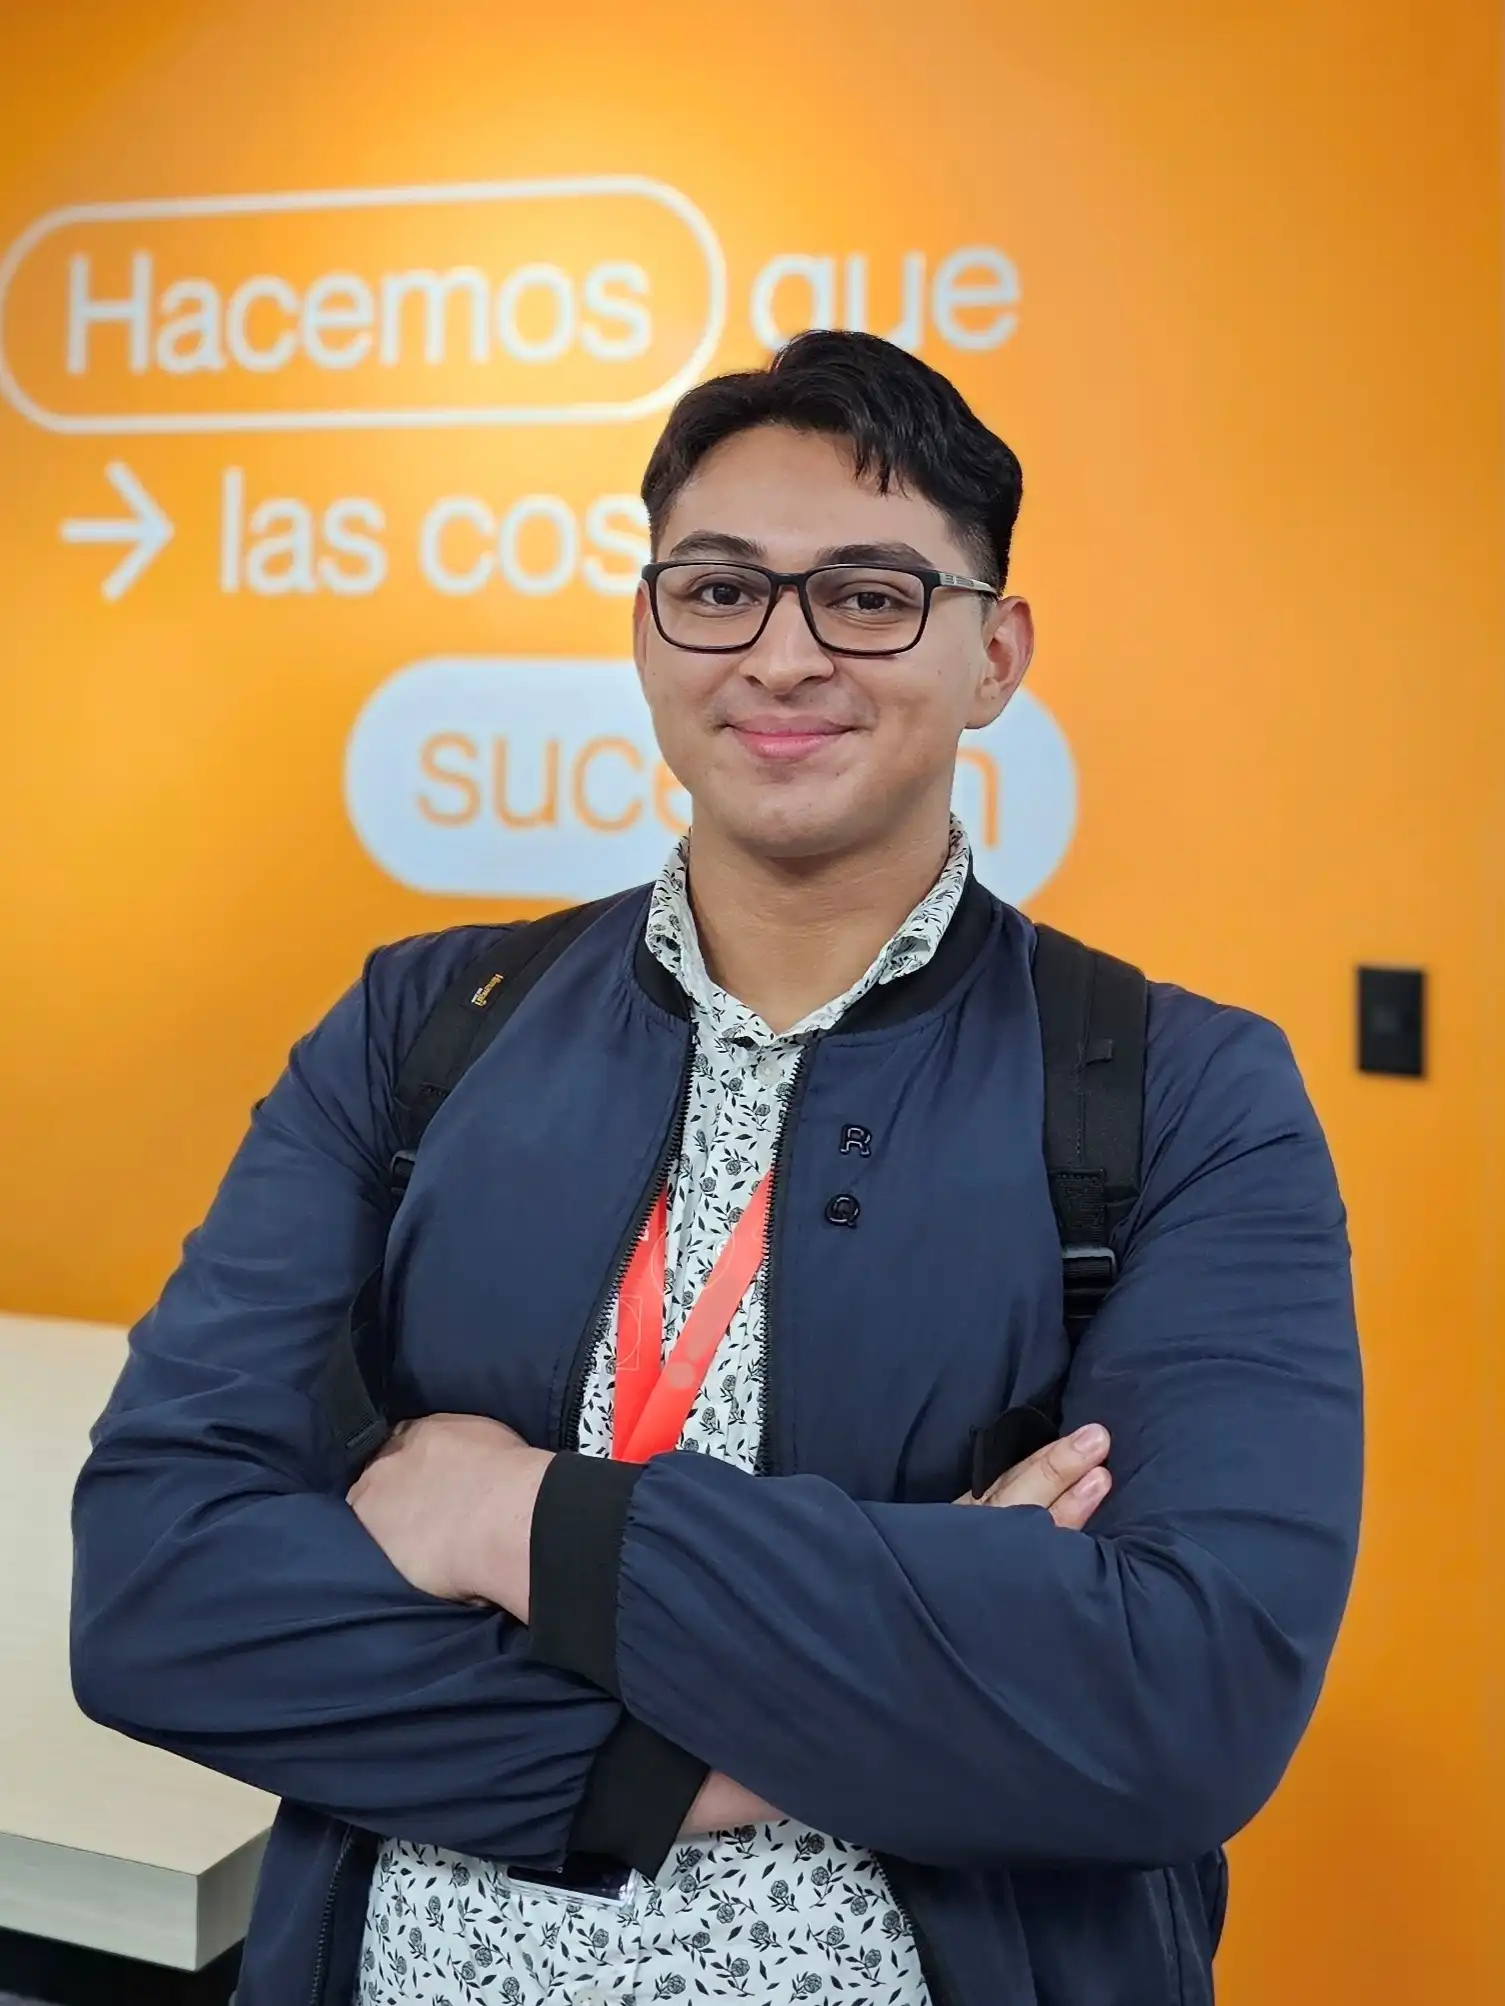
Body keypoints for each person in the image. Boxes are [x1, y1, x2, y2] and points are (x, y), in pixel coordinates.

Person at [71, 330, 1363, 2006]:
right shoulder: (420, 1028)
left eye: (873, 594)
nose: (785, 653)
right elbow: (162, 1591)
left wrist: (498, 1510)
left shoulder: (1179, 1091)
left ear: (996, 654)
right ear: (647, 630)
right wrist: (868, 1676)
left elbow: (1178, 1700)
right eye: (721, 590)